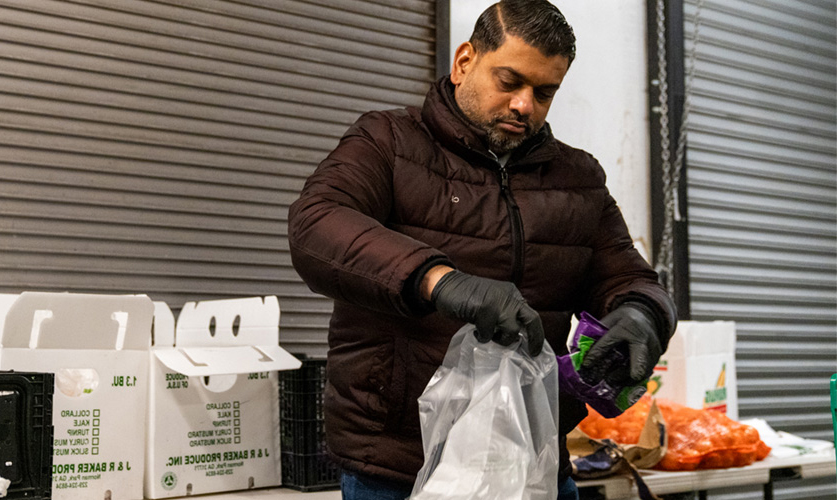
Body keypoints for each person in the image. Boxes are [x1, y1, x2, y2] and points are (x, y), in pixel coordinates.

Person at [286, 1, 677, 499]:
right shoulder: (386, 142)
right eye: (509, 81)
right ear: (465, 61)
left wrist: (643, 314)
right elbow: (316, 224)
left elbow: (632, 278)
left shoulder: (578, 180)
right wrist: (440, 281)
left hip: (532, 461)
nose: (524, 105)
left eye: (544, 92)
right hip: (397, 468)